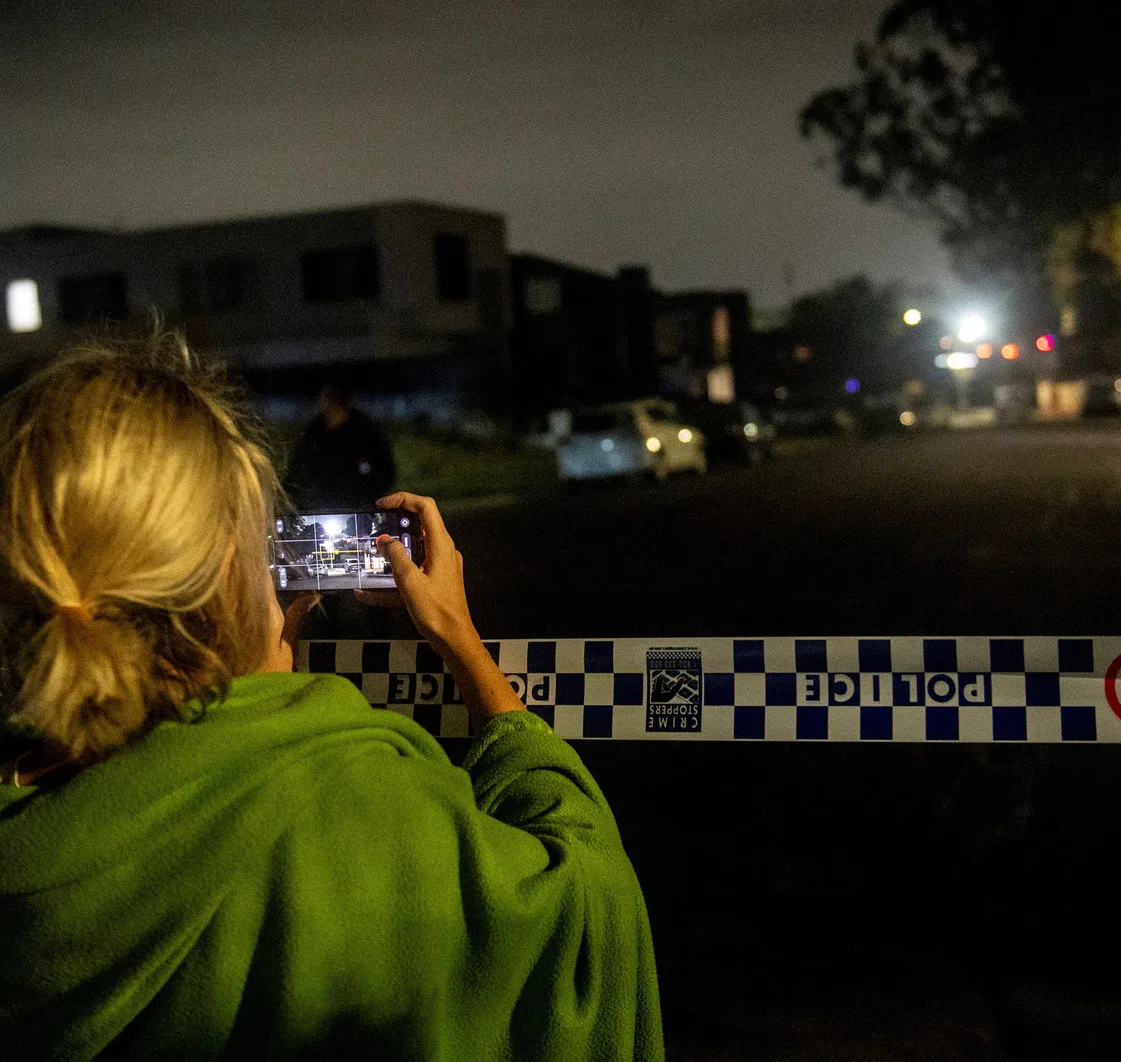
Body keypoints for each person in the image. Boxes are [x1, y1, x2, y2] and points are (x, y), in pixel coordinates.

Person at [0, 336, 664, 1061]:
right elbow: (584, 918)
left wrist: (247, 654)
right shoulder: (358, 811)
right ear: (228, 568)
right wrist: (462, 644)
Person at [284, 381, 397, 510]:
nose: (327, 404)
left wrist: (367, 500)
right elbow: (297, 469)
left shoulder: (365, 433)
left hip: (356, 509)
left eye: (332, 398)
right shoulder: (314, 433)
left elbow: (384, 474)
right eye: (326, 398)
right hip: (317, 508)